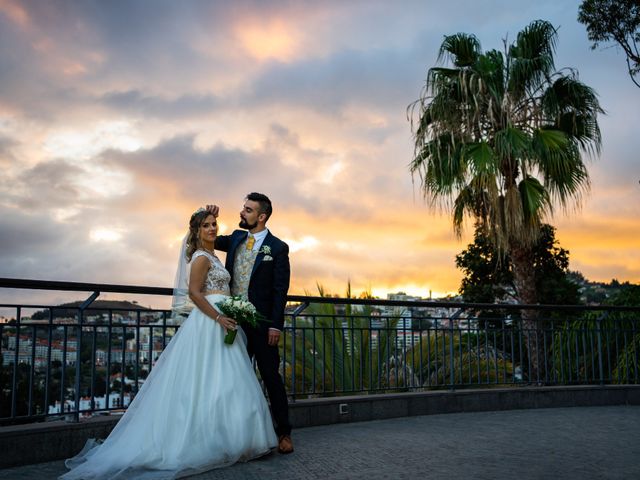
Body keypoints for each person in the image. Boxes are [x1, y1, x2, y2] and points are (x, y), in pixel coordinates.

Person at [60, 208, 277, 480]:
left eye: (214, 224)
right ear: (197, 232)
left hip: (225, 322)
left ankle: (236, 440)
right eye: (206, 226)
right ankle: (210, 442)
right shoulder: (200, 258)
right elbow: (196, 294)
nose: (211, 229)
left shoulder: (214, 256)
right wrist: (220, 317)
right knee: (206, 382)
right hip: (210, 323)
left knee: (227, 382)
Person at [211, 192, 293, 454]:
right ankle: (236, 434)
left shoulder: (278, 248)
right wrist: (208, 214)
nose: (242, 213)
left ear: (262, 216)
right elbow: (205, 237)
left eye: (248, 210)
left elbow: (281, 291)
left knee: (270, 377)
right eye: (243, 208)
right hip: (233, 321)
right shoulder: (235, 238)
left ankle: (284, 433)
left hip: (263, 324)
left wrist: (275, 325)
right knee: (234, 378)